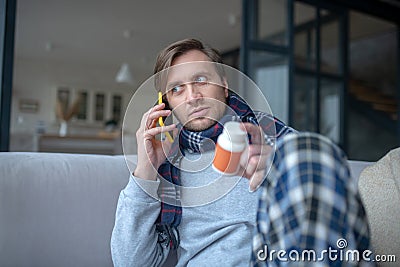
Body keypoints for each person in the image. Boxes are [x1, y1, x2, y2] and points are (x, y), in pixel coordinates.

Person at [111, 39, 371, 266]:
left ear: (224, 86)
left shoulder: (269, 136)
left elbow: (325, 187)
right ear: (165, 104)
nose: (192, 96)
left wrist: (276, 167)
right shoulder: (170, 169)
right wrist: (146, 170)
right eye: (176, 89)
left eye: (201, 80)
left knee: (308, 153)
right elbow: (130, 262)